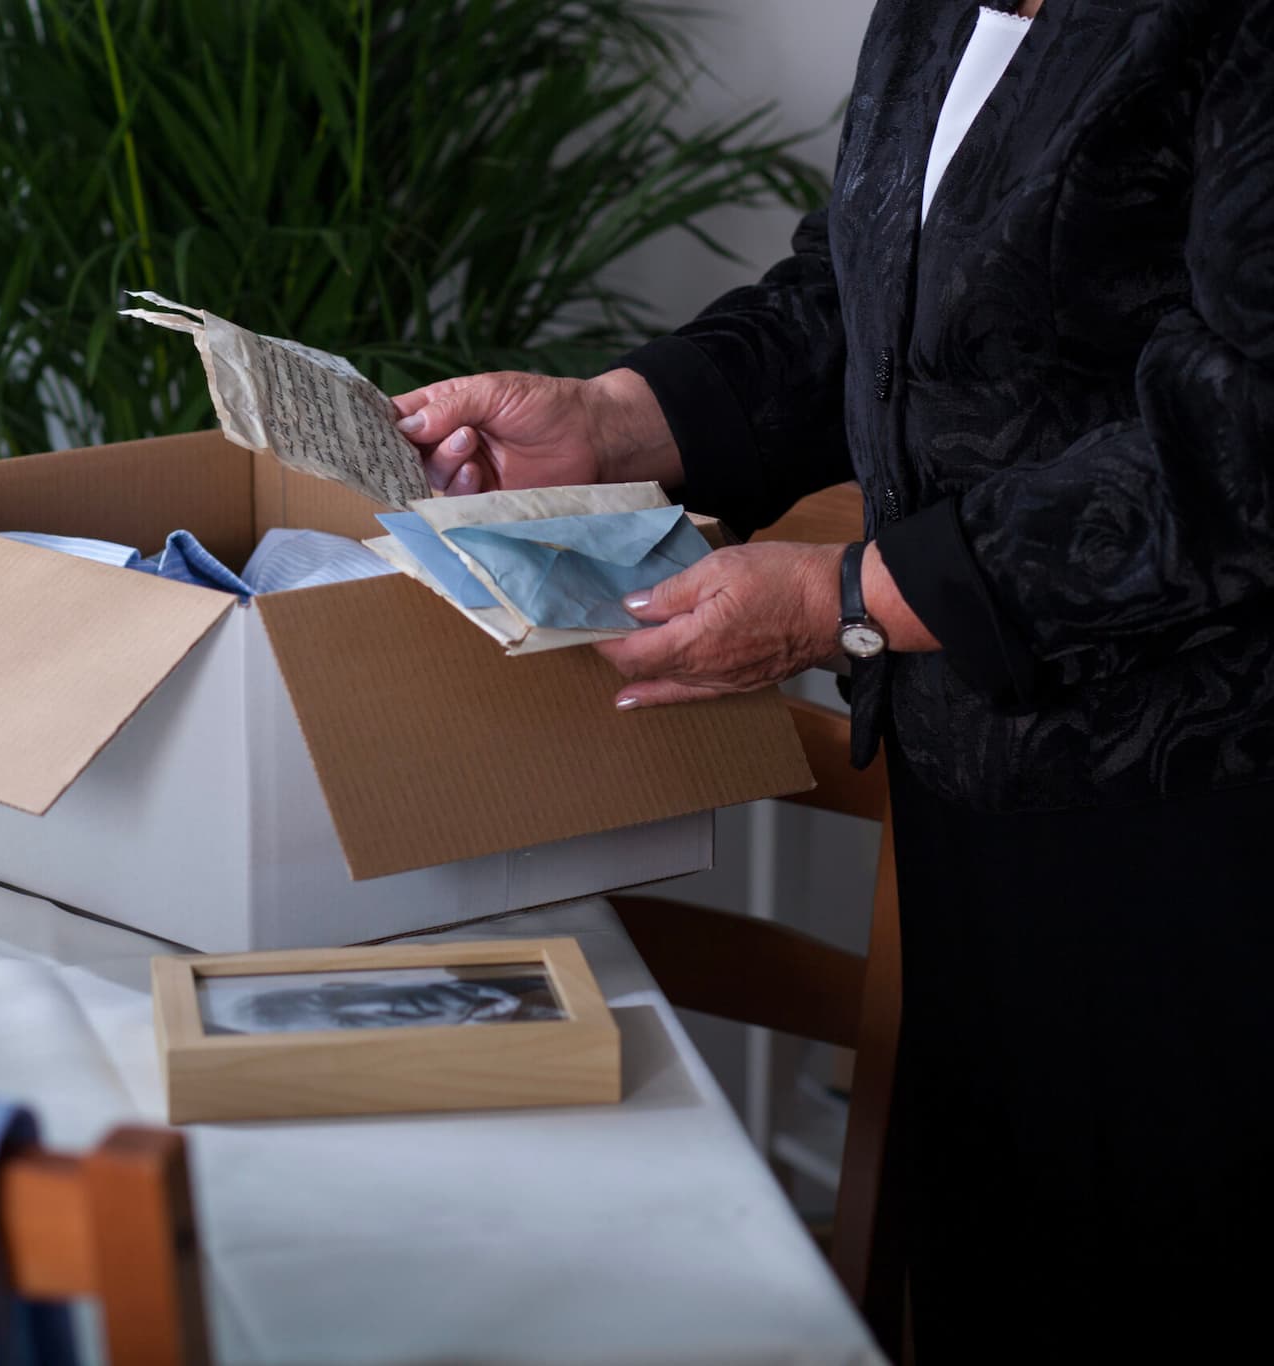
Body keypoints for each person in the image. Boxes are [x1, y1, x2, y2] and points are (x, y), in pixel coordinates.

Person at [392, 0, 1272, 1356]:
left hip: (1200, 832)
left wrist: (843, 599)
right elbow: (861, 293)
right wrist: (621, 419)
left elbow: (1242, 443)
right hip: (978, 803)